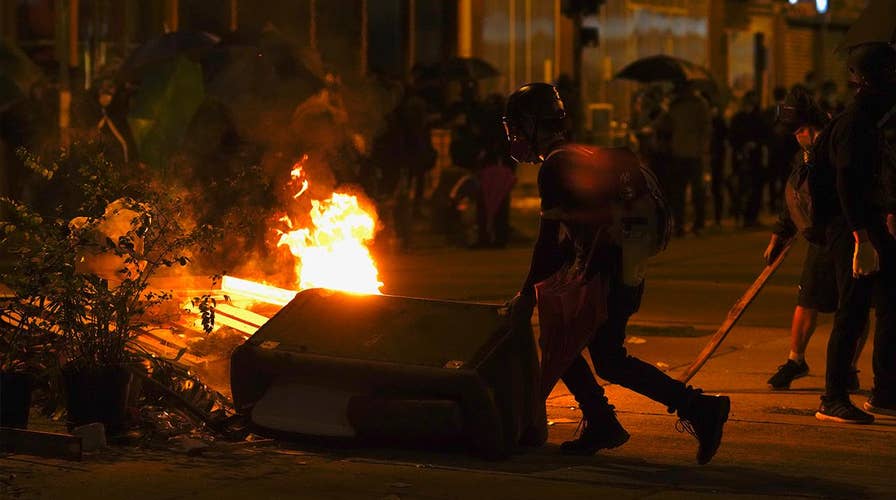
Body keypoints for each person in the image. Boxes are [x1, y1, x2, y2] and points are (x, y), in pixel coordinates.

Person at [503, 83, 730, 464]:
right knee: (593, 353)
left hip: (606, 277)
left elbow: (547, 243)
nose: (513, 138)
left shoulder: (557, 166)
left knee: (573, 348)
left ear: (532, 125)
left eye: (516, 128)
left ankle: (685, 410)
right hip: (624, 271)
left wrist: (527, 294)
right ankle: (614, 419)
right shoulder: (578, 154)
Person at [808, 43, 896, 423]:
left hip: (866, 222)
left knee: (890, 304)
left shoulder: (870, 120)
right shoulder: (855, 123)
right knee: (853, 310)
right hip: (849, 226)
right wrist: (862, 239)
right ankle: (833, 397)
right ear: (875, 79)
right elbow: (846, 183)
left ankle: (887, 391)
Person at [763, 87, 868, 391]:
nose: (796, 137)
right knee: (807, 298)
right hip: (821, 238)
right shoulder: (807, 152)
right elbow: (798, 193)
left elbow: (850, 188)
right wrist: (780, 234)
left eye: (797, 131)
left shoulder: (839, 143)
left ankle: (847, 369)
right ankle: (796, 360)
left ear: (809, 127)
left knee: (853, 306)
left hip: (850, 235)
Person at [653, 82, 711, 236]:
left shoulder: (675, 105)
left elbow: (663, 125)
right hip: (692, 152)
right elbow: (706, 128)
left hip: (680, 151)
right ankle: (697, 224)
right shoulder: (700, 104)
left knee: (679, 190)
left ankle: (681, 224)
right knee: (694, 189)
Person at [728, 91, 768, 227]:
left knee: (755, 188)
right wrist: (741, 148)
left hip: (754, 157)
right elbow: (732, 137)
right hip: (741, 157)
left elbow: (765, 136)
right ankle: (741, 216)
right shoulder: (738, 119)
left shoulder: (758, 118)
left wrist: (755, 144)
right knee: (741, 188)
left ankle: (750, 217)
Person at [763, 86, 800, 214]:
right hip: (784, 152)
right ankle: (780, 202)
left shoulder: (769, 112)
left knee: (775, 179)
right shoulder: (788, 112)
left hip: (774, 150)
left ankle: (774, 203)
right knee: (783, 178)